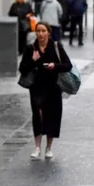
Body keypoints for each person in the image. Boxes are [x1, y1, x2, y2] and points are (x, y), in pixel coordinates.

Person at [19, 22, 72, 160]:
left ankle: (48, 148)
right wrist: (32, 60)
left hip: (53, 87)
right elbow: (22, 69)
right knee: (38, 115)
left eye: (43, 31)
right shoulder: (31, 48)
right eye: (38, 31)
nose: (41, 34)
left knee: (51, 116)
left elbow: (68, 65)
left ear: (49, 32)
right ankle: (37, 147)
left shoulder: (56, 47)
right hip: (36, 87)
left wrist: (55, 66)